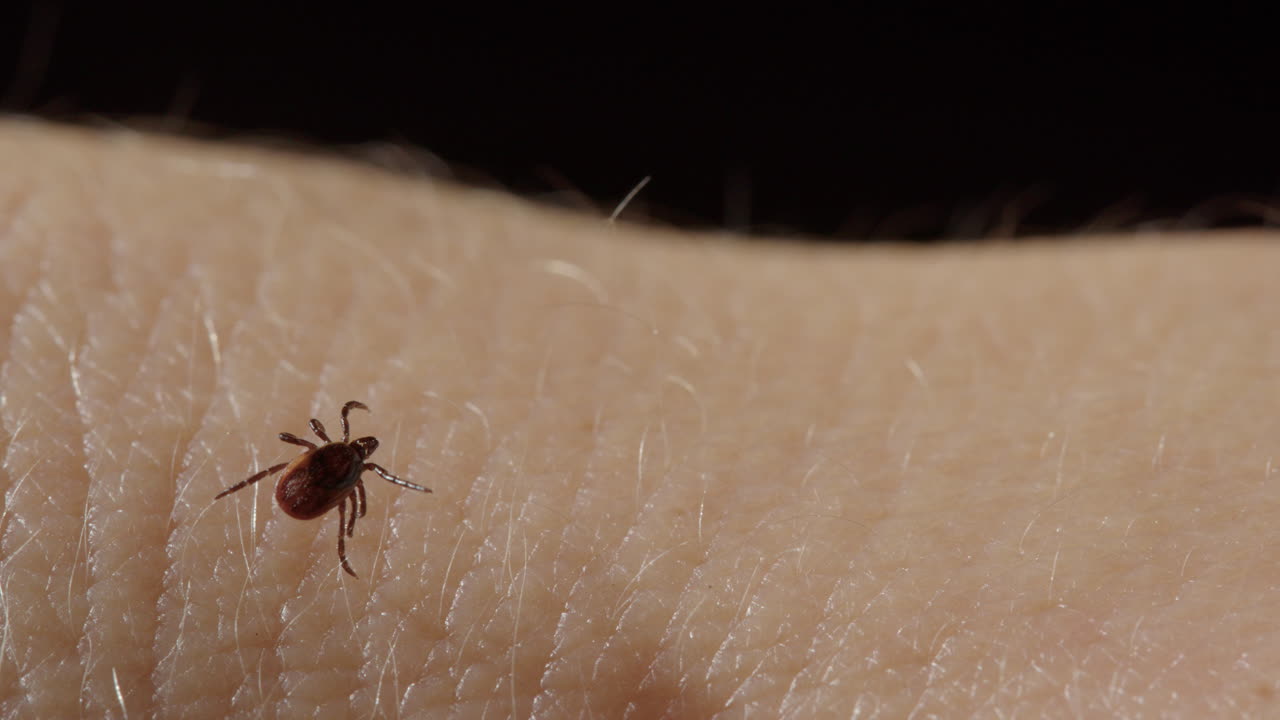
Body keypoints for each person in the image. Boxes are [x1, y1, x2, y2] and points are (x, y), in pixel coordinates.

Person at [0, 120, 1273, 717]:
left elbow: (310, 462)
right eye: (345, 463)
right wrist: (335, 529)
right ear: (331, 464)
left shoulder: (322, 461)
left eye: (344, 467)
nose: (345, 463)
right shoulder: (329, 466)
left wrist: (325, 523)